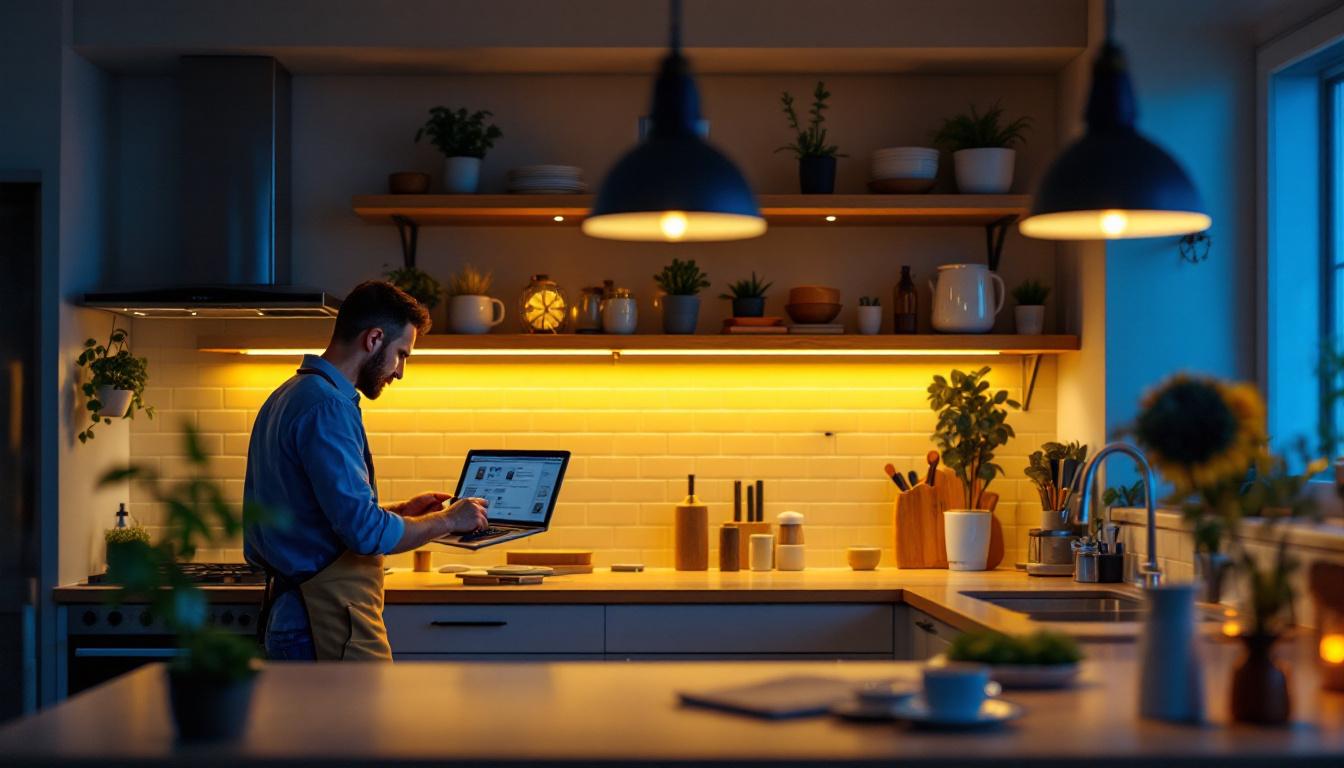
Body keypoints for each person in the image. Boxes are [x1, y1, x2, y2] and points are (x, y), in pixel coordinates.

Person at [243, 280, 488, 661]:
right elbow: (364, 533)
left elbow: (317, 515)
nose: (401, 371)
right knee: (350, 723)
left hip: (296, 610)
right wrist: (449, 521)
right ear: (373, 339)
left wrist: (398, 513)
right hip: (322, 619)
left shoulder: (288, 394)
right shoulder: (327, 407)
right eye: (402, 354)